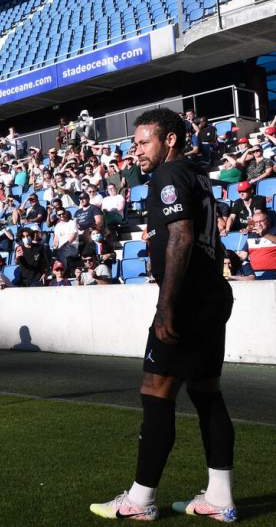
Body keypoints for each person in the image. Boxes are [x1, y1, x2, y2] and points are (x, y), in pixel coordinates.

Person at [90, 108, 236, 522]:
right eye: (134, 143)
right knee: (207, 393)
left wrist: (166, 306)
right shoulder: (195, 175)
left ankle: (139, 500)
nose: (134, 150)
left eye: (142, 141)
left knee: (156, 391)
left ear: (169, 139)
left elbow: (182, 237)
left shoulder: (169, 176)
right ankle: (220, 498)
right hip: (212, 296)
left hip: (188, 300)